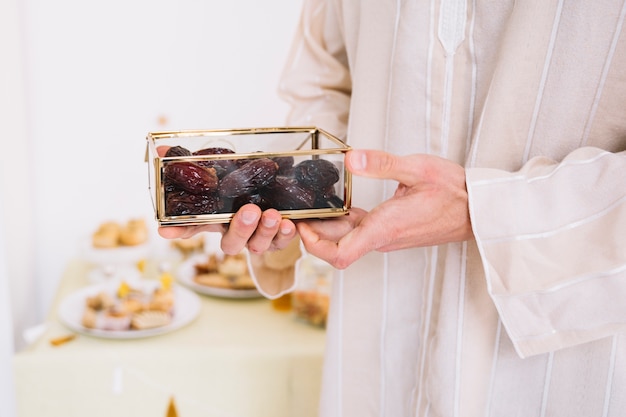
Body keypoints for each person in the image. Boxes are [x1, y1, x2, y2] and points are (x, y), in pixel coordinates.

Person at [160, 1, 626, 416]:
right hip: (374, 320)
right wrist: (275, 196)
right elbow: (323, 79)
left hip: (559, 338)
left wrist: (485, 208)